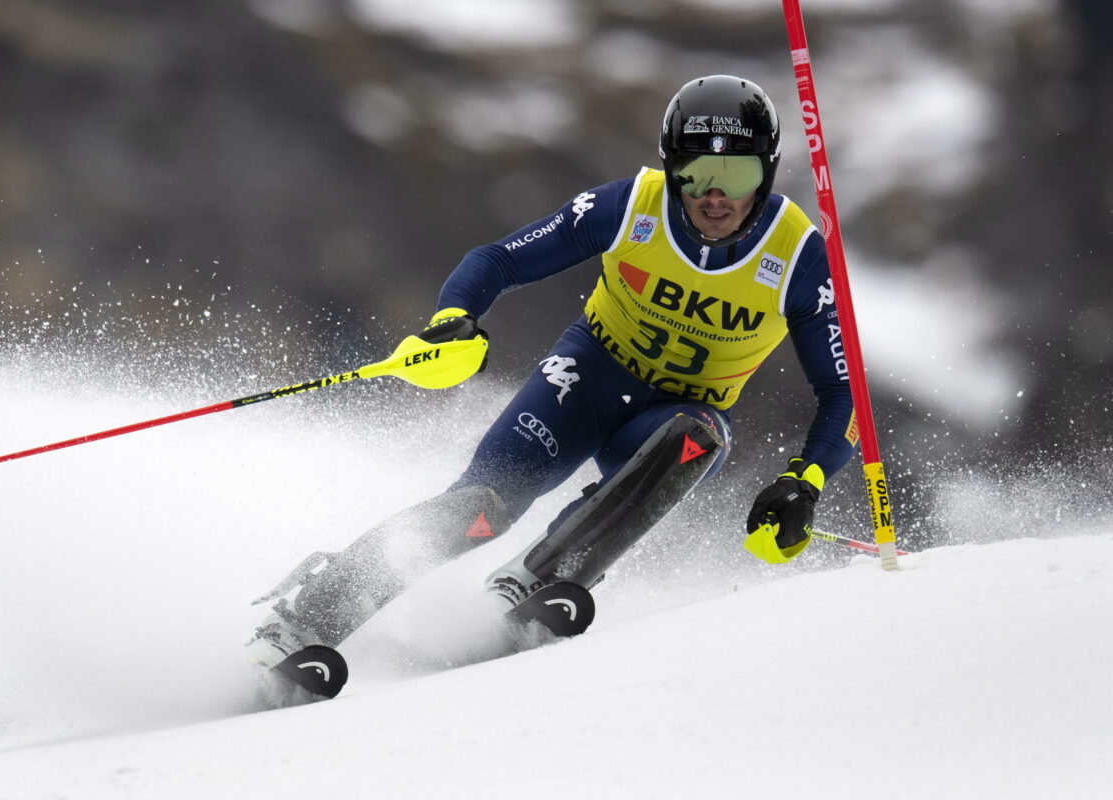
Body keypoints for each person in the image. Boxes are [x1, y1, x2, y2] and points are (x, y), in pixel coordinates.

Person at [246, 74, 858, 673]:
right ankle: (302, 621)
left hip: (669, 417)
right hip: (585, 381)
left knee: (696, 439)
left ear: (767, 173)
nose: (714, 195)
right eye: (696, 172)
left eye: (738, 173)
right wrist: (457, 317)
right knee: (479, 507)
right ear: (671, 166)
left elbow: (842, 391)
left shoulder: (799, 257)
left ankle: (532, 582)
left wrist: (805, 481)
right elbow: (497, 259)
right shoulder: (629, 206)